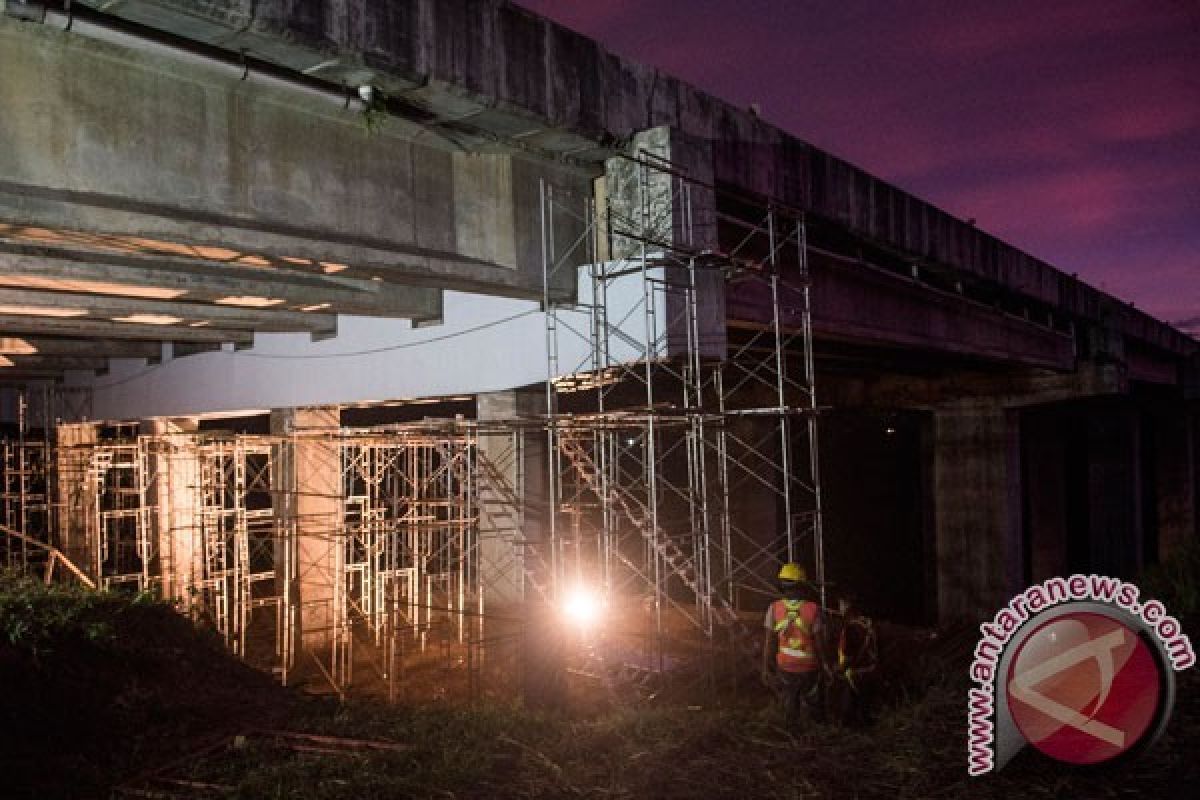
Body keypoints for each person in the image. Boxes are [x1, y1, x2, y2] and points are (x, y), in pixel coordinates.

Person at [762, 562, 824, 725]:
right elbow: (819, 643)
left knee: (789, 704)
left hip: (785, 667)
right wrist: (826, 666)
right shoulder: (813, 609)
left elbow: (769, 642)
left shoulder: (774, 608)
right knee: (812, 705)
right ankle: (814, 736)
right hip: (809, 668)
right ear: (803, 585)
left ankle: (791, 734)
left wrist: (766, 667)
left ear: (782, 585)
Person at [826, 597, 879, 726]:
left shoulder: (850, 629)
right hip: (870, 672)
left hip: (855, 676)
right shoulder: (868, 624)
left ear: (848, 607)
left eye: (841, 605)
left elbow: (849, 657)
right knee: (865, 709)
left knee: (849, 715)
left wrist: (836, 669)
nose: (839, 609)